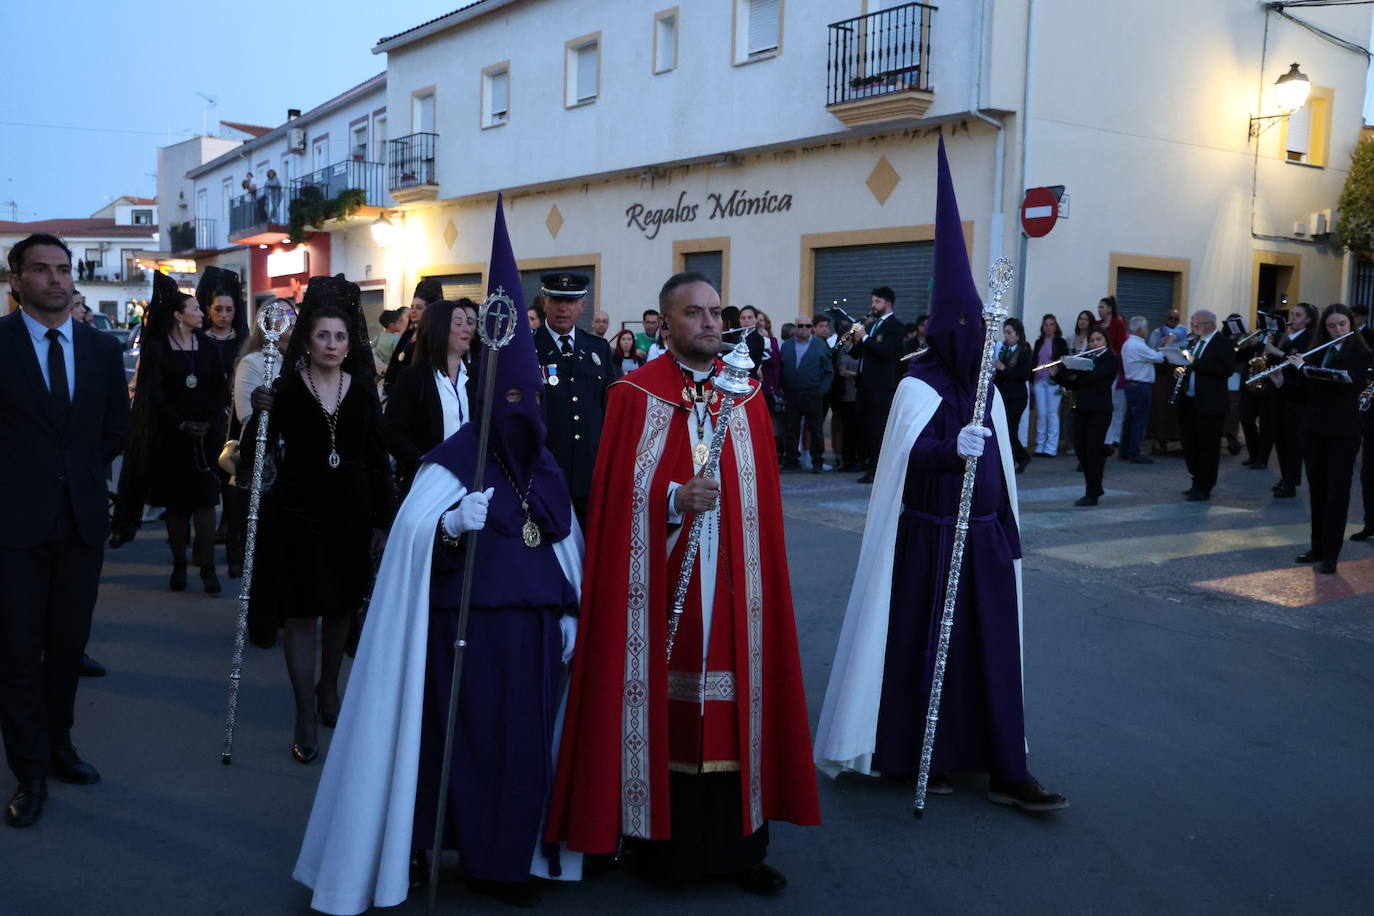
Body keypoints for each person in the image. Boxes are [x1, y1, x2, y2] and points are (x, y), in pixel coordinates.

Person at [294, 204, 583, 910]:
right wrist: (449, 524)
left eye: (529, 397)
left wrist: (572, 610)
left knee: (521, 755)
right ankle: (421, 847)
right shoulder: (453, 462)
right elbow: (410, 545)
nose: (520, 409)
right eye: (507, 395)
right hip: (465, 631)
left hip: (537, 637)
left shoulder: (544, 466)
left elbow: (568, 545)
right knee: (456, 744)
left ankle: (506, 862)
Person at [547, 270, 821, 896]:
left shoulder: (746, 399)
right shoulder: (634, 395)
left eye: (716, 313)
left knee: (735, 710)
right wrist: (672, 498)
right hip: (660, 592)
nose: (709, 324)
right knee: (659, 709)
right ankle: (656, 846)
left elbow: (762, 510)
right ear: (665, 323)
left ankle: (741, 848)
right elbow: (615, 500)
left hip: (731, 598)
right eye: (694, 314)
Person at [814, 138, 1066, 813]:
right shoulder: (917, 386)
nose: (983, 341)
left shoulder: (986, 384)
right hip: (927, 537)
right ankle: (925, 755)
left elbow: (1003, 471)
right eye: (973, 330)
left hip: (982, 537)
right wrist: (948, 448)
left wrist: (1007, 528)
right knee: (926, 653)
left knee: (990, 654)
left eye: (989, 331)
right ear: (948, 331)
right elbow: (900, 460)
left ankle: (1006, 765)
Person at [0, 234, 128, 829]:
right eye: (41, 270)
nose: (55, 279)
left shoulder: (102, 351)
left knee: (67, 646)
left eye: (63, 270)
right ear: (17, 281)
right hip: (12, 526)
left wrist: (75, 475)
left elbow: (113, 432)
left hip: (80, 523)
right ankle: (27, 770)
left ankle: (59, 747)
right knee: (19, 653)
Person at [251, 275, 390, 763]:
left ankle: (329, 687)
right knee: (301, 613)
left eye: (340, 336)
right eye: (323, 336)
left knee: (340, 607)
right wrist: (257, 415)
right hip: (298, 511)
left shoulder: (362, 390)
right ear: (307, 341)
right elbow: (256, 458)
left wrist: (382, 518)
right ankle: (304, 710)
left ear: (350, 343)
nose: (332, 344)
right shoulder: (286, 389)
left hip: (350, 513)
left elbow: (377, 457)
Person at [111, 270, 228, 592]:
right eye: (195, 309)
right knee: (177, 508)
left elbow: (218, 387)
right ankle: (179, 562)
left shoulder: (206, 346)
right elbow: (154, 394)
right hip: (171, 437)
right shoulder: (158, 349)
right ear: (179, 316)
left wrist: (207, 419)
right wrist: (179, 422)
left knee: (206, 504)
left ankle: (206, 568)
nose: (202, 313)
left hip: (204, 438)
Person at [1285, 304, 1372, 574]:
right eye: (1332, 326)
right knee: (1317, 490)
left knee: (1337, 493)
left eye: (1342, 325)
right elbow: (1305, 393)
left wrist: (1304, 370)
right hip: (1314, 430)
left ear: (1351, 326)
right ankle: (1317, 547)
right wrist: (1281, 379)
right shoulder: (1319, 351)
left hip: (1343, 433)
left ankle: (1331, 554)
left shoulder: (1361, 353)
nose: (1337, 330)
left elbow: (1344, 382)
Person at [226, 300, 297, 585]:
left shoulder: (306, 357)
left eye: (291, 313)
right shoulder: (254, 361)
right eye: (279, 314)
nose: (287, 319)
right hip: (265, 461)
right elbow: (246, 413)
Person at [532, 272, 612, 527]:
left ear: (582, 306)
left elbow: (610, 409)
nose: (563, 308)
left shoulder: (598, 349)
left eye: (570, 301)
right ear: (544, 302)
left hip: (591, 475)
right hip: (544, 473)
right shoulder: (527, 349)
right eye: (555, 300)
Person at [383, 299, 477, 495]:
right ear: (439, 328)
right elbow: (392, 431)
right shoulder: (414, 378)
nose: (467, 328)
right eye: (458, 323)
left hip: (469, 482)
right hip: (428, 485)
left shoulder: (476, 377)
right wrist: (424, 463)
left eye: (468, 322)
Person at [1175, 309, 1235, 501]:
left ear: (1210, 324)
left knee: (1207, 447)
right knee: (1190, 444)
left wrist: (1194, 362)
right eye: (1193, 324)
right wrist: (1180, 370)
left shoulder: (1223, 343)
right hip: (1189, 402)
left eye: (1197, 324)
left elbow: (1225, 370)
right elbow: (1189, 366)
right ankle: (1196, 481)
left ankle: (1204, 486)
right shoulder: (1194, 343)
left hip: (1210, 404)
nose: (1194, 327)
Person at [1056, 330, 1119, 505]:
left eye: (1098, 339)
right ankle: (1094, 486)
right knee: (1081, 450)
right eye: (1091, 340)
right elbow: (1075, 384)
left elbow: (1095, 377)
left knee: (1093, 453)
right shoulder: (1089, 360)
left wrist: (1074, 365)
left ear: (1106, 341)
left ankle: (1092, 492)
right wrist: (1058, 373)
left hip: (1100, 411)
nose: (1094, 343)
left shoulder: (1110, 359)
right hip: (1083, 410)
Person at [849, 286, 905, 483]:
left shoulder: (895, 326)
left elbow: (886, 351)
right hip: (864, 384)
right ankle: (868, 465)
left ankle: (877, 470)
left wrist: (864, 336)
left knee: (877, 429)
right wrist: (852, 340)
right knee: (864, 427)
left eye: (877, 301)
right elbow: (859, 352)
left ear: (887, 303)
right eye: (873, 301)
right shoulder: (872, 326)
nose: (873, 305)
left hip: (881, 386)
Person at [1271, 302, 1316, 498]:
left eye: (1298, 315)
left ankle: (1290, 482)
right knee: (1281, 438)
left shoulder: (1309, 339)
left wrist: (1276, 352)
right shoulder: (1287, 336)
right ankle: (1285, 477)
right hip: (1280, 392)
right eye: (1292, 314)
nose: (1292, 318)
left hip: (1297, 396)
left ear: (1308, 319)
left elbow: (1297, 362)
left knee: (1292, 441)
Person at [780, 314, 834, 473]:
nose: (804, 329)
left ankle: (817, 462)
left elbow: (829, 370)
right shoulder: (787, 345)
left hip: (812, 393)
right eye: (800, 326)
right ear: (795, 328)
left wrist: (822, 389)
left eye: (807, 326)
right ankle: (791, 461)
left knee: (816, 430)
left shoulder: (819, 345)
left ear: (811, 328)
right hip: (791, 393)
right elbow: (781, 367)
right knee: (791, 429)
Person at [384, 279, 444, 397]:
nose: (413, 311)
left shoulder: (432, 338)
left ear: (430, 309)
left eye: (419, 307)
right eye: (412, 307)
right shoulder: (408, 334)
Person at [1119, 316, 1165, 464]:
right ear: (1139, 329)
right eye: (1145, 327)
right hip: (1141, 386)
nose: (1147, 330)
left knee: (1130, 420)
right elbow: (1159, 358)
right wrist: (1166, 345)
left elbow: (1150, 355)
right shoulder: (1138, 345)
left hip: (1131, 385)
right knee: (1139, 420)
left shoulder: (1128, 344)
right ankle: (1134, 452)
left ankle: (1124, 450)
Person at [993, 317, 1032, 473]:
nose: (1006, 336)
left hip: (1017, 397)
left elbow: (1024, 375)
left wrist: (1004, 369)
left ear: (1017, 334)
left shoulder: (1024, 350)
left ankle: (1021, 457)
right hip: (1004, 395)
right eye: (1005, 332)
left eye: (1009, 332)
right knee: (1005, 429)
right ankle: (1014, 458)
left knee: (1010, 429)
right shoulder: (1004, 350)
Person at [1030, 314, 1066, 457]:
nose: (1049, 327)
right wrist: (1031, 380)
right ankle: (1039, 446)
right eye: (1046, 324)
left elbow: (1064, 361)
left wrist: (1058, 373)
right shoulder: (1039, 342)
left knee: (1052, 414)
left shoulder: (1061, 342)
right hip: (1039, 381)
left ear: (1056, 326)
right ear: (1042, 327)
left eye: (1051, 324)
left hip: (1053, 382)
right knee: (1041, 414)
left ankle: (1051, 447)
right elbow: (1034, 362)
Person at [1098, 296, 1128, 452]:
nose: (1099, 310)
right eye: (1098, 307)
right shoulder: (1099, 324)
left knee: (1114, 403)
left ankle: (1113, 437)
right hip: (1100, 366)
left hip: (1113, 367)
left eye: (1102, 307)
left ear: (1109, 308)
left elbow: (1120, 345)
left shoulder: (1118, 323)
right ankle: (1105, 437)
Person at [372, 308, 408, 377]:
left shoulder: (381, 334)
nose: (400, 324)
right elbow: (399, 354)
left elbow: (371, 346)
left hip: (382, 365)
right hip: (391, 366)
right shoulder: (395, 338)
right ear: (392, 325)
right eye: (399, 322)